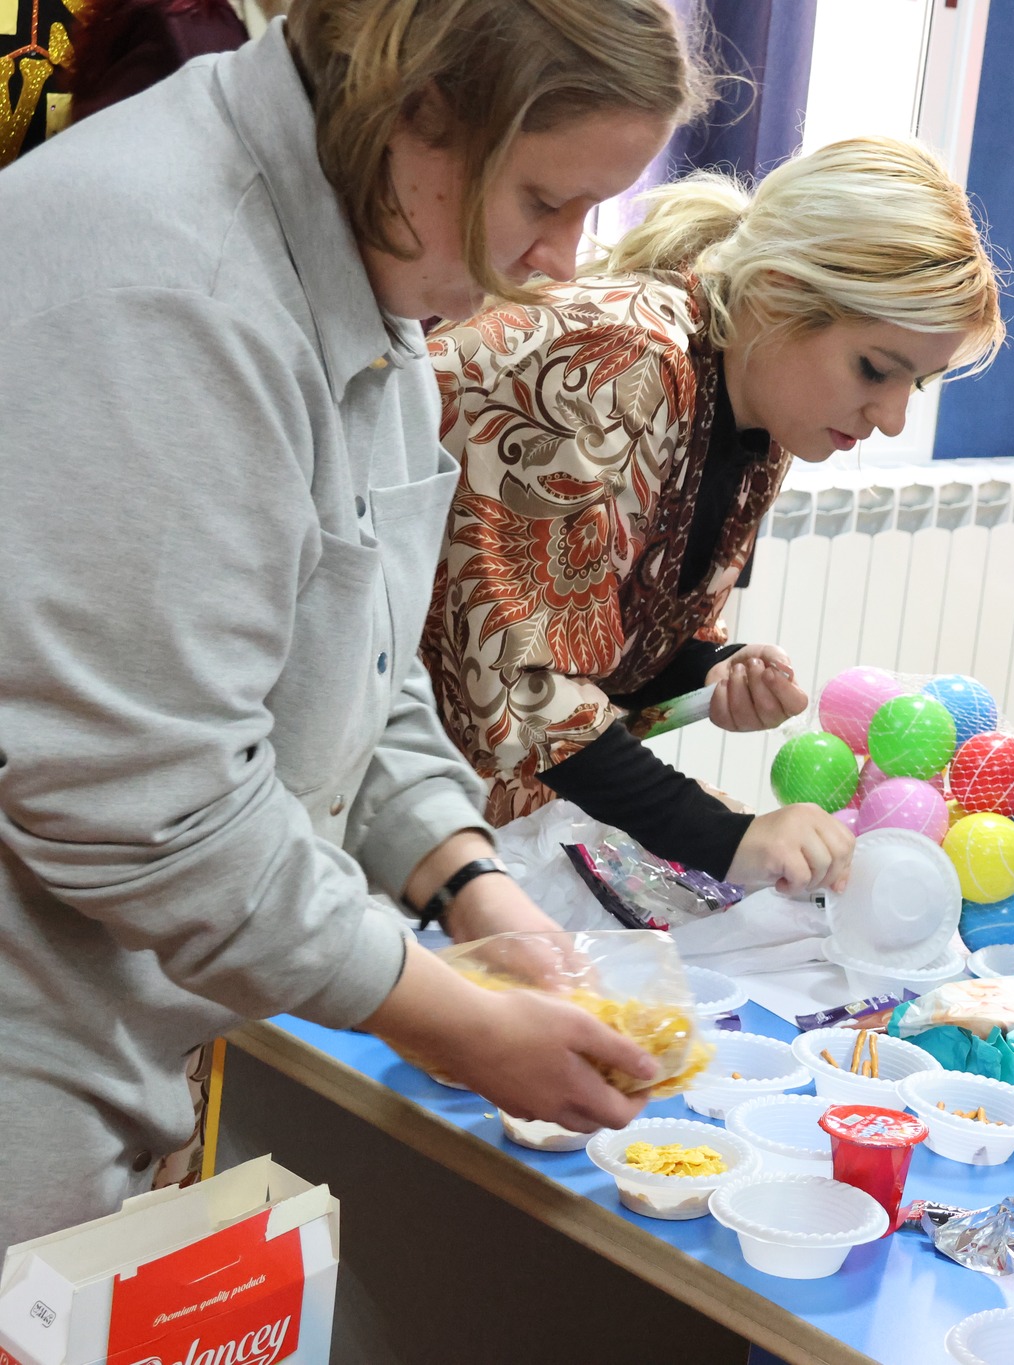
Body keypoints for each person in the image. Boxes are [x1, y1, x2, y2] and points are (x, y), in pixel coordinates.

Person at [0, 0, 706, 1245]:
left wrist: (470, 883)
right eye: (545, 201)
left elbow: (358, 664)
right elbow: (146, 806)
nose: (562, 259)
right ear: (414, 110)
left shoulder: (362, 266)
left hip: (121, 1026)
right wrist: (453, 1017)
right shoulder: (171, 287)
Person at [423, 137, 1005, 894]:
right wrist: (730, 838)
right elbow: (522, 687)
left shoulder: (762, 415)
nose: (891, 417)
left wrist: (709, 669)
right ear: (774, 292)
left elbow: (607, 635)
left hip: (464, 806)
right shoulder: (619, 358)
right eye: (874, 368)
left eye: (916, 386)